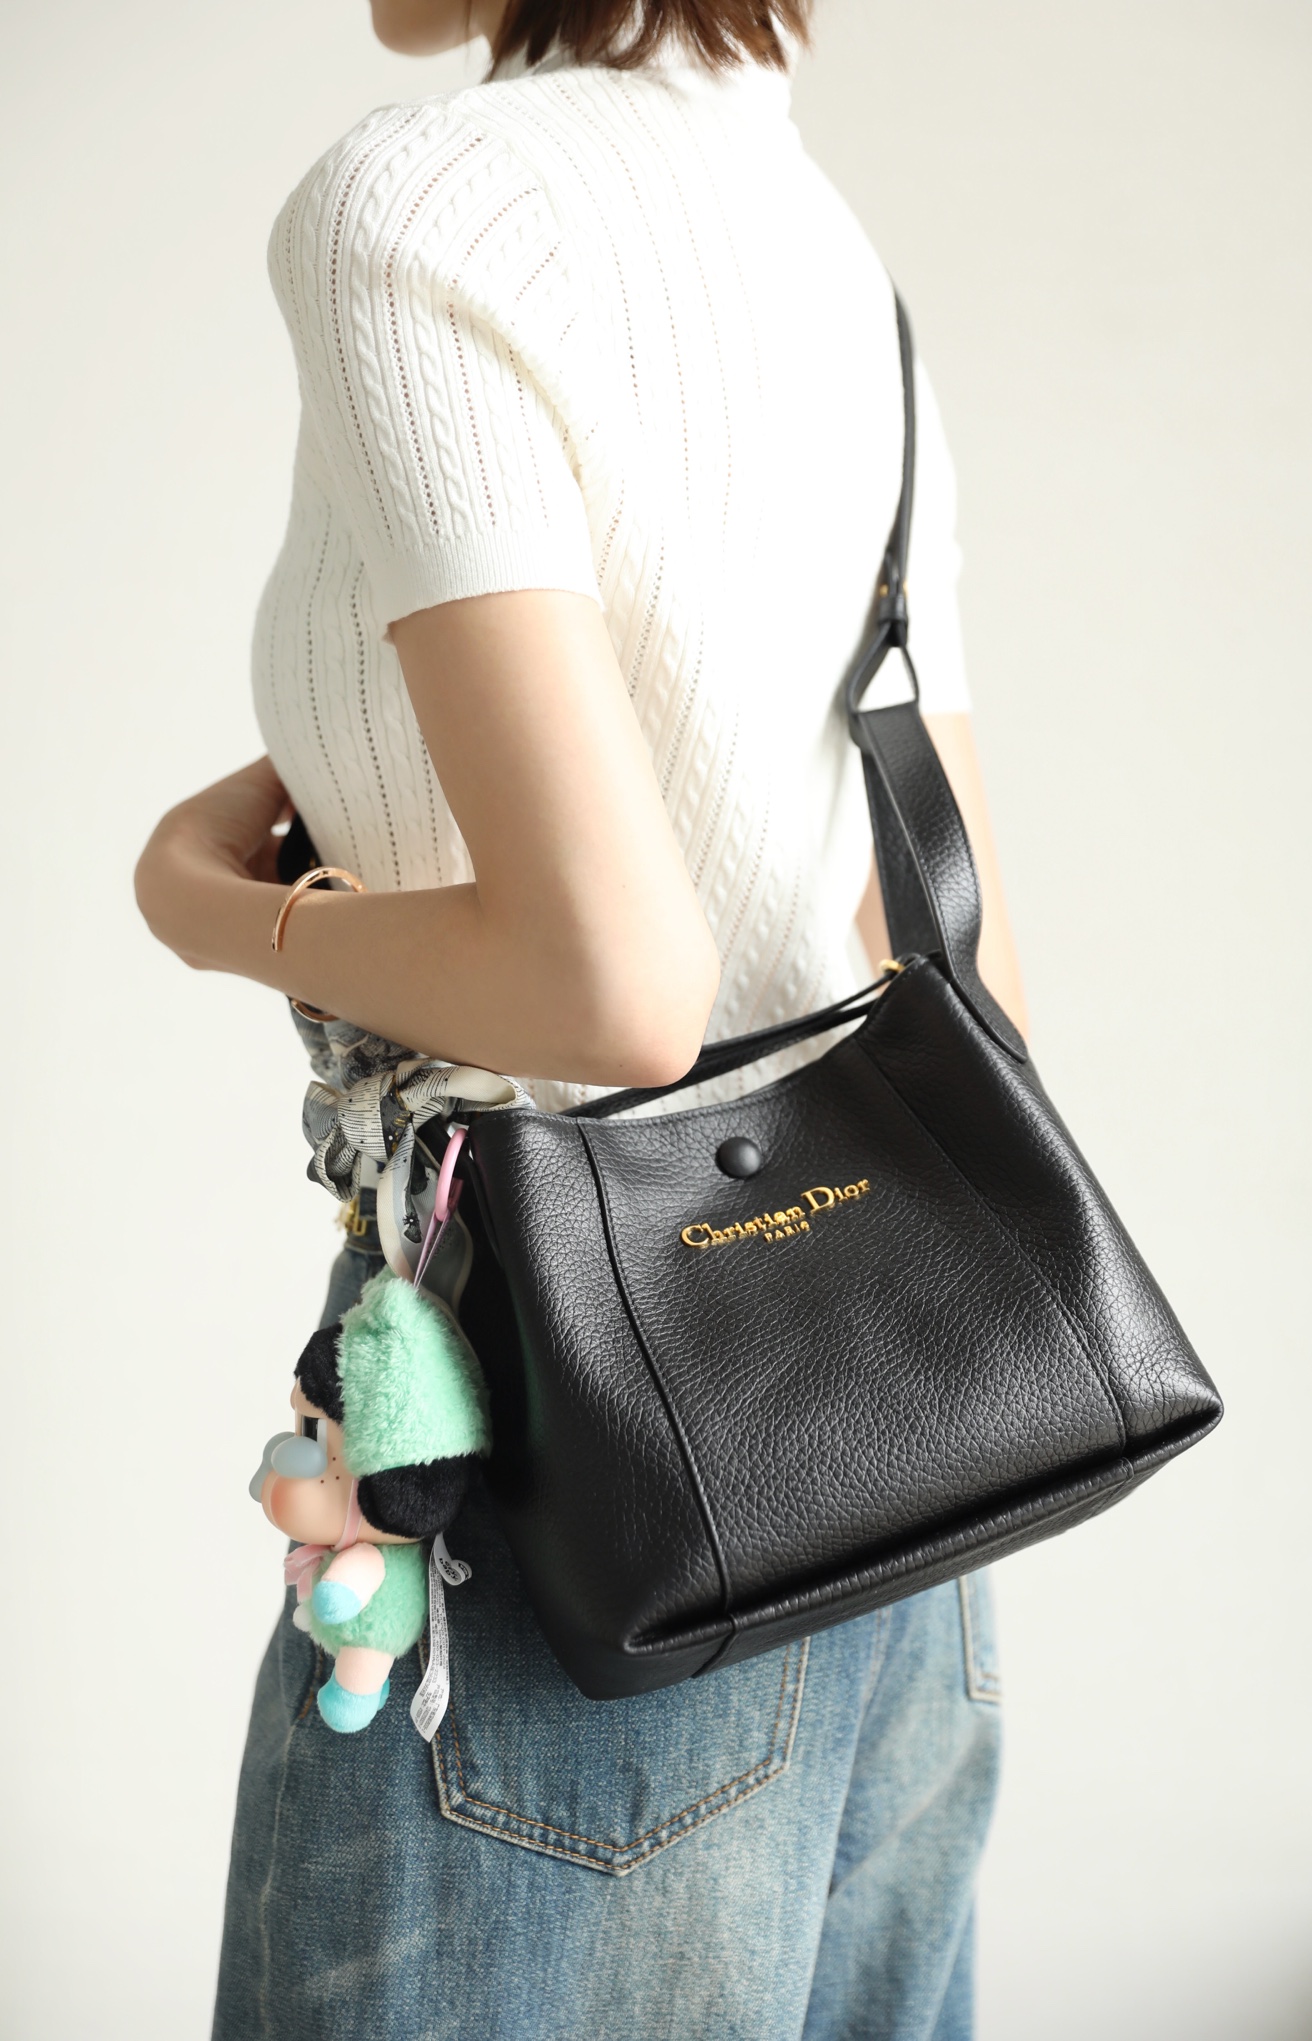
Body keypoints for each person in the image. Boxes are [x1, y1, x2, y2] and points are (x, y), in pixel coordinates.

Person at [136, 3, 1025, 2034]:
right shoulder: (835, 265)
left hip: (588, 1491)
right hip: (909, 1510)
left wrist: (219, 907)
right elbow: (971, 972)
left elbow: (620, 993)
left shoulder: (428, 198)